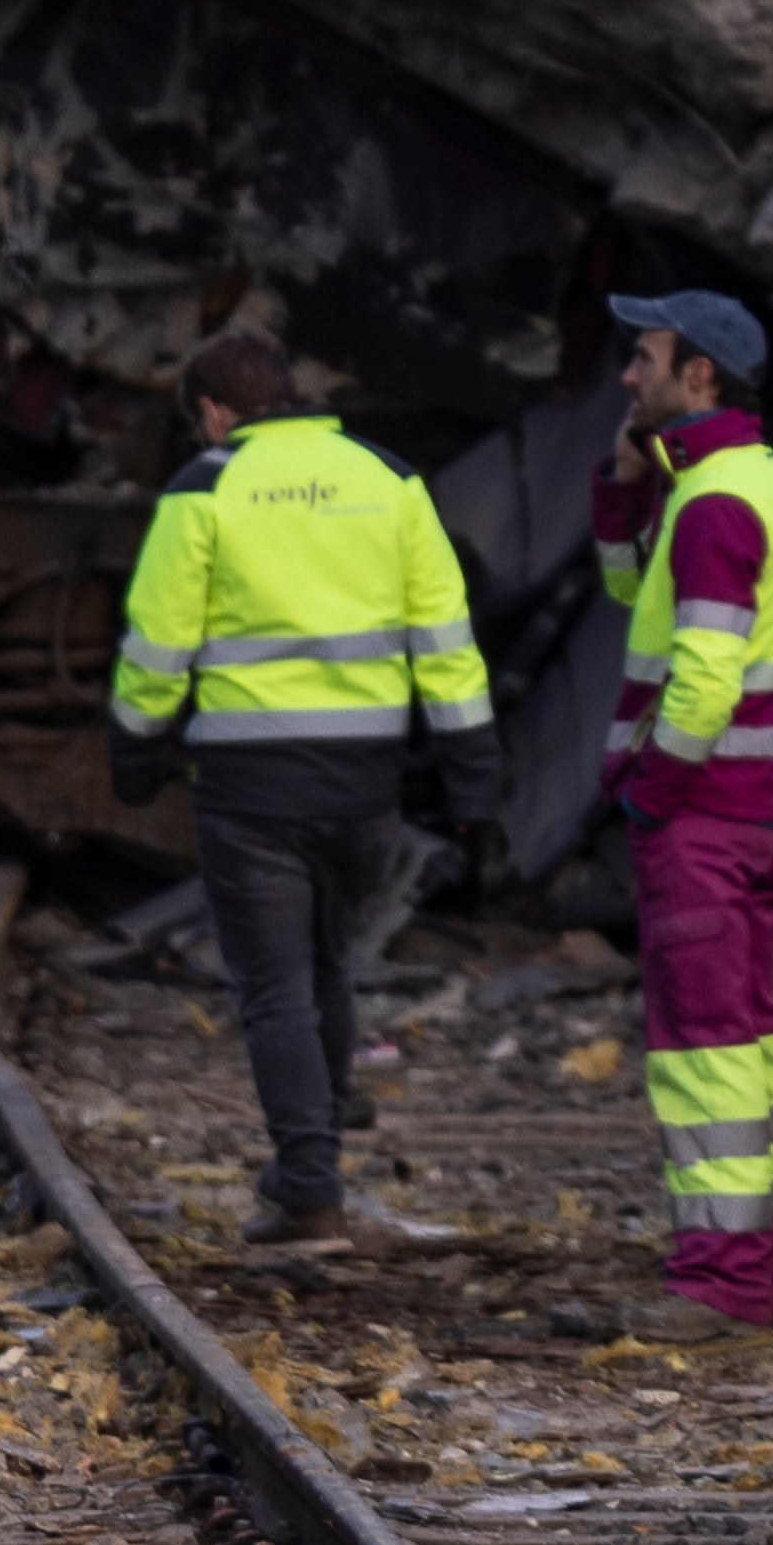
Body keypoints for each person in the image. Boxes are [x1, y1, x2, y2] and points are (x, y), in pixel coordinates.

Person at [106, 329, 503, 1252]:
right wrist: (474, 778)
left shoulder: (205, 487)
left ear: (212, 411)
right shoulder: (390, 479)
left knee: (276, 984)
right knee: (329, 966)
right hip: (366, 782)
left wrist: (133, 753)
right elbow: (447, 643)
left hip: (250, 788)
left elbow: (157, 648)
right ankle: (308, 1164)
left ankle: (311, 1192)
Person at [591, 288, 773, 1330]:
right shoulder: (749, 485)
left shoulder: (718, 504)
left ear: (699, 377)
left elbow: (701, 678)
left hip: (702, 816)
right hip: (745, 811)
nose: (626, 377)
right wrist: (623, 481)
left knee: (703, 1047)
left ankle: (723, 1281)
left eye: (644, 359)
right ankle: (748, 1261)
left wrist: (651, 792)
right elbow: (629, 590)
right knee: (740, 1035)